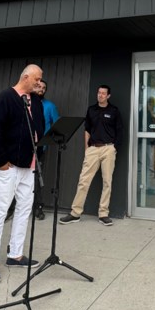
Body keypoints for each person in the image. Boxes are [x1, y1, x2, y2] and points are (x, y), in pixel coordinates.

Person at [0, 65, 44, 284]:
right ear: (25, 77)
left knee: (24, 210)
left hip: (29, 166)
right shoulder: (5, 97)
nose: (39, 83)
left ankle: (15, 255)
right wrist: (2, 162)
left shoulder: (35, 101)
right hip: (9, 166)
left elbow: (39, 129)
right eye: (37, 79)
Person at [60, 84, 122, 227]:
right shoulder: (91, 110)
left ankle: (103, 214)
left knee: (107, 182)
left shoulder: (114, 111)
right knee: (84, 181)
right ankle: (75, 213)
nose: (100, 95)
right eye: (99, 92)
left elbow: (120, 131)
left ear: (108, 96)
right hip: (93, 149)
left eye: (103, 93)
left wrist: (114, 148)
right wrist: (87, 148)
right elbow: (87, 130)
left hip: (108, 149)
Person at [5, 78, 59, 222]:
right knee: (14, 178)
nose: (41, 89)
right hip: (19, 147)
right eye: (39, 86)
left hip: (39, 148)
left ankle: (38, 207)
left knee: (35, 178)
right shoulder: (21, 101)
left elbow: (57, 125)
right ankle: (10, 208)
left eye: (43, 87)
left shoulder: (49, 105)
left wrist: (47, 140)